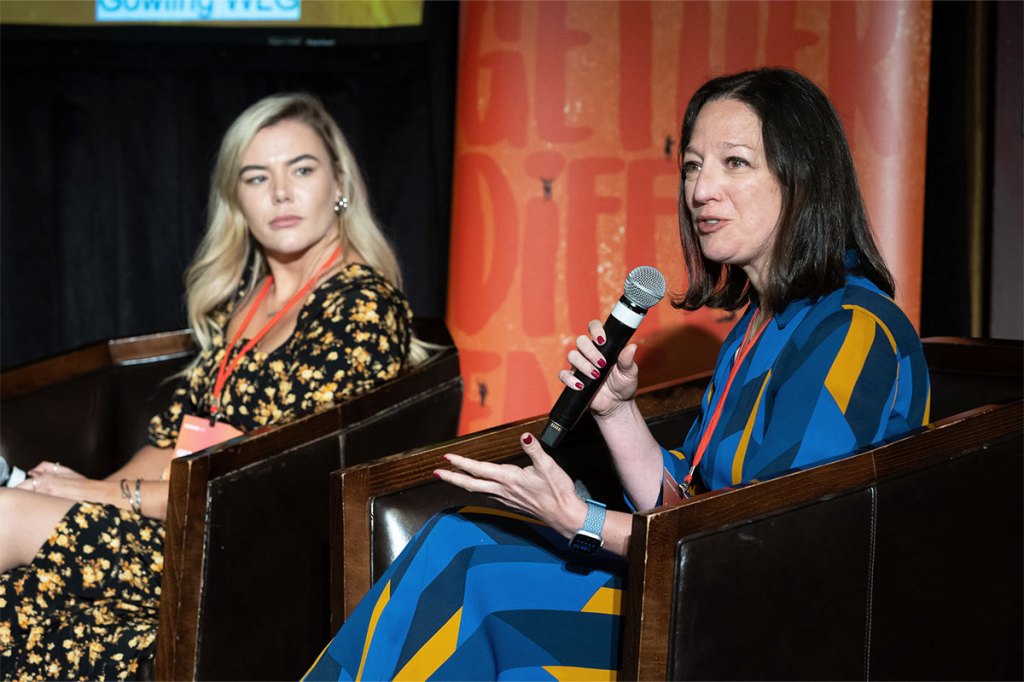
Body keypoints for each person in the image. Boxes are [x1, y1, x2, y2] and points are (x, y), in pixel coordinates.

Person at [304, 68, 931, 680]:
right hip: (703, 592)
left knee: (476, 577)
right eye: (692, 166)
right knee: (455, 539)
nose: (701, 190)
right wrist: (615, 409)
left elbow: (768, 543)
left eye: (734, 163)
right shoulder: (756, 326)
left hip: (768, 629)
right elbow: (688, 502)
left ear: (804, 178)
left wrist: (582, 519)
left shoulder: (852, 330)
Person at [0, 92, 427, 681]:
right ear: (238, 201)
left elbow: (265, 481)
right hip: (185, 526)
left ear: (338, 184)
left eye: (301, 169)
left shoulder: (361, 305)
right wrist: (87, 488)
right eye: (257, 177)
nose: (281, 191)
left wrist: (101, 497)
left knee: (6, 516)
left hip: (248, 553)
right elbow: (174, 440)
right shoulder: (245, 307)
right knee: (17, 596)